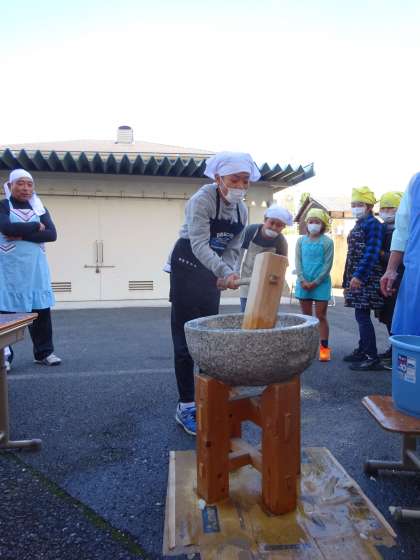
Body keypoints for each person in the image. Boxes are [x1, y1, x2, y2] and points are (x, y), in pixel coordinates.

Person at [169, 152, 260, 436]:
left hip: (211, 270)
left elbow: (233, 247)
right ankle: (186, 406)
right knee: (185, 338)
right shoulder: (202, 200)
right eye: (235, 179)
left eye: (245, 181)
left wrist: (228, 272)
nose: (241, 186)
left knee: (208, 336)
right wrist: (222, 271)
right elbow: (198, 243)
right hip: (186, 265)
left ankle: (207, 398)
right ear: (219, 178)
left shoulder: (242, 210)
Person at [0, 169, 61, 372]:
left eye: (29, 184)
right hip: (10, 270)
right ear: (10, 186)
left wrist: (22, 234)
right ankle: (5, 356)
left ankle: (44, 353)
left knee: (41, 311)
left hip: (35, 269)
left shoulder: (40, 208)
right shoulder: (3, 206)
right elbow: (7, 228)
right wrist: (36, 226)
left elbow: (52, 235)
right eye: (20, 183)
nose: (25, 188)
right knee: (5, 313)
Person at [342, 186, 385, 371]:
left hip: (367, 279)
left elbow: (372, 253)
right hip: (356, 277)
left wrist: (359, 276)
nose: (355, 208)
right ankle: (363, 350)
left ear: (369, 206)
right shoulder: (359, 224)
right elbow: (351, 254)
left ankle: (371, 356)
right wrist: (347, 279)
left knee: (362, 315)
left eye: (359, 204)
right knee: (361, 314)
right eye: (353, 204)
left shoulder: (373, 224)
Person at [381, 173, 420, 336]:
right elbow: (403, 229)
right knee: (412, 337)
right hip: (416, 275)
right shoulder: (416, 182)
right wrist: (391, 270)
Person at [295, 208, 334, 362]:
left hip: (321, 284)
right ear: (306, 223)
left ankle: (324, 351)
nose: (313, 224)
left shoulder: (327, 242)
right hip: (303, 283)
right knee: (306, 319)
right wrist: (302, 280)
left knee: (321, 316)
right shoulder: (300, 241)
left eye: (317, 222)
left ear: (323, 224)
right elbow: (298, 262)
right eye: (311, 221)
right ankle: (307, 350)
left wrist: (316, 282)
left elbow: (327, 265)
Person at [238, 204, 292, 312]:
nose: (274, 227)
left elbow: (282, 266)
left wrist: (275, 280)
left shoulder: (281, 242)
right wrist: (234, 273)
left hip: (267, 283)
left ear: (283, 227)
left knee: (264, 313)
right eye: (271, 223)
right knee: (246, 312)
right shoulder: (251, 231)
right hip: (247, 281)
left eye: (279, 225)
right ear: (265, 220)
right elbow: (238, 254)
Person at [375, 191, 404, 369]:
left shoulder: (402, 232)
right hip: (383, 279)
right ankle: (393, 348)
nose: (386, 212)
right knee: (386, 316)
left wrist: (380, 254)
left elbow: (400, 258)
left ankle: (398, 352)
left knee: (396, 317)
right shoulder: (381, 230)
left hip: (397, 280)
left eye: (390, 208)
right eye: (383, 209)